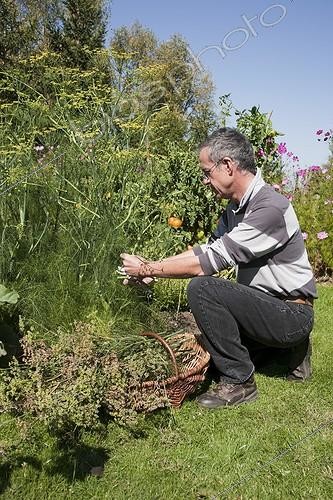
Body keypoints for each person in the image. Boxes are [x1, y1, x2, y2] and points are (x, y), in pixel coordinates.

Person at [121, 127, 316, 409]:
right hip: (266, 309)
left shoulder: (271, 208)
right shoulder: (234, 209)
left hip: (290, 314)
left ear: (227, 166)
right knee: (213, 355)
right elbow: (204, 250)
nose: (204, 180)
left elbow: (208, 263)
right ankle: (287, 353)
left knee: (203, 289)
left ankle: (240, 382)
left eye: (206, 172)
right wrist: (152, 268)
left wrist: (148, 268)